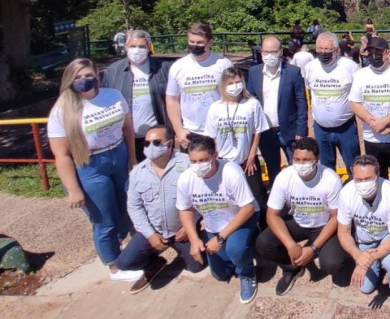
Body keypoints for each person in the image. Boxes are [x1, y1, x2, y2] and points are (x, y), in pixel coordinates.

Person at [48, 58, 142, 282]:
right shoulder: (62, 111)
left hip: (118, 155)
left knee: (128, 207)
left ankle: (122, 247)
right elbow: (62, 155)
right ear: (69, 80)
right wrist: (74, 190)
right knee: (104, 220)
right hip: (90, 166)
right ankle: (115, 266)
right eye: (78, 77)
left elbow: (127, 128)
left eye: (89, 75)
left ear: (97, 76)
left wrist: (132, 157)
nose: (84, 80)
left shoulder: (113, 96)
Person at [117, 125, 206, 293]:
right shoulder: (138, 173)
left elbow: (202, 196)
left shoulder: (187, 164)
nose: (150, 147)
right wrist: (150, 235)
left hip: (182, 230)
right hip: (155, 230)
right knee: (124, 263)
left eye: (156, 142)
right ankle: (154, 264)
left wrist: (190, 226)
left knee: (197, 266)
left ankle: (198, 239)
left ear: (170, 143)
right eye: (146, 143)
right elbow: (134, 207)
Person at [254, 137, 345, 295]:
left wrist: (313, 249)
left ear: (317, 159)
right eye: (297, 160)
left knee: (332, 264)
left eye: (306, 160)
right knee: (263, 243)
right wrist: (290, 245)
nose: (301, 164)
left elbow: (335, 217)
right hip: (297, 221)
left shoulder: (330, 179)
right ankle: (292, 267)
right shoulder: (284, 177)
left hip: (323, 224)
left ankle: (312, 253)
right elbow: (272, 215)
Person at [177, 136, 259, 303]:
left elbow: (248, 208)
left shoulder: (231, 172)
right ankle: (244, 244)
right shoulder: (186, 179)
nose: (198, 165)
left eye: (203, 160)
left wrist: (220, 238)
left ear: (215, 155)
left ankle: (247, 273)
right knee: (220, 274)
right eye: (193, 161)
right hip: (213, 224)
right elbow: (184, 209)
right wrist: (194, 239)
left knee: (235, 250)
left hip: (241, 217)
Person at [337, 155, 390, 317]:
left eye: (368, 179)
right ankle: (377, 265)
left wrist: (365, 261)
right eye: (358, 179)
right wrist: (357, 255)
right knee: (365, 288)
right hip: (364, 240)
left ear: (378, 175)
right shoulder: (347, 193)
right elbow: (343, 232)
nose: (363, 184)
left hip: (387, 237)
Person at [204, 68, 270, 226]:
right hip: (224, 162)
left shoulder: (252, 104)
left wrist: (252, 156)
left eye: (238, 82)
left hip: (247, 161)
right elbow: (212, 137)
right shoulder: (215, 107)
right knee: (231, 199)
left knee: (258, 195)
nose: (235, 86)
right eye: (230, 83)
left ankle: (263, 228)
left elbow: (257, 132)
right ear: (223, 85)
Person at [349, 36, 390, 202]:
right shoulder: (361, 74)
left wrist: (385, 122)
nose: (374, 55)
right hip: (372, 138)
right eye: (370, 51)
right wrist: (374, 123)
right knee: (377, 181)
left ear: (387, 53)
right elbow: (355, 103)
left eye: (378, 52)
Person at [101, 29, 172, 161]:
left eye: (142, 46)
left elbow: (173, 100)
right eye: (133, 46)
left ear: (149, 47)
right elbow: (105, 102)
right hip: (123, 139)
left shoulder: (164, 69)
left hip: (157, 138)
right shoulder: (113, 71)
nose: (137, 50)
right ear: (126, 46)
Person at [246, 35, 308, 185]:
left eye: (273, 51)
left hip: (290, 130)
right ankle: (277, 196)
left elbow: (301, 101)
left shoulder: (293, 72)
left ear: (280, 52)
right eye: (266, 52)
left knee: (296, 168)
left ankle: (296, 195)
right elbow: (250, 101)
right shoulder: (254, 72)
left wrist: (301, 129)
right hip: (266, 132)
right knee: (272, 169)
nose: (269, 55)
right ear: (261, 53)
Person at [165, 22, 234, 151]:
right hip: (191, 132)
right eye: (191, 42)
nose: (195, 46)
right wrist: (178, 130)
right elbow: (172, 99)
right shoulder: (178, 67)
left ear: (210, 42)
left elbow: (233, 96)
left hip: (221, 128)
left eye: (200, 43)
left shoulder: (223, 64)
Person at [303, 32, 360, 173]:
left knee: (353, 166)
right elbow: (309, 89)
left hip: (345, 128)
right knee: (326, 168)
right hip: (321, 128)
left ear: (337, 50)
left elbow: (359, 94)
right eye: (320, 49)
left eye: (327, 49)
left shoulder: (350, 67)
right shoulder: (310, 67)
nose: (323, 52)